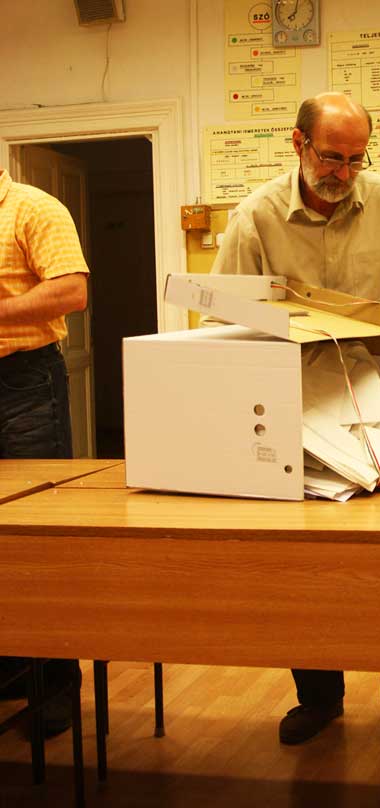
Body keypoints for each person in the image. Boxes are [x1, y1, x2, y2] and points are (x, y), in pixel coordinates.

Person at [209, 92, 380, 749]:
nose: (343, 173)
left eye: (355, 159)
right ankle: (317, 697)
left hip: (377, 393)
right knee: (304, 563)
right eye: (332, 158)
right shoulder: (255, 218)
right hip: (292, 405)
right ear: (298, 143)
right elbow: (224, 316)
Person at [0, 167, 89, 735]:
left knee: (40, 536)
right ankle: (12, 671)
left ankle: (56, 685)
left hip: (24, 381)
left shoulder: (33, 207)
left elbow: (72, 291)